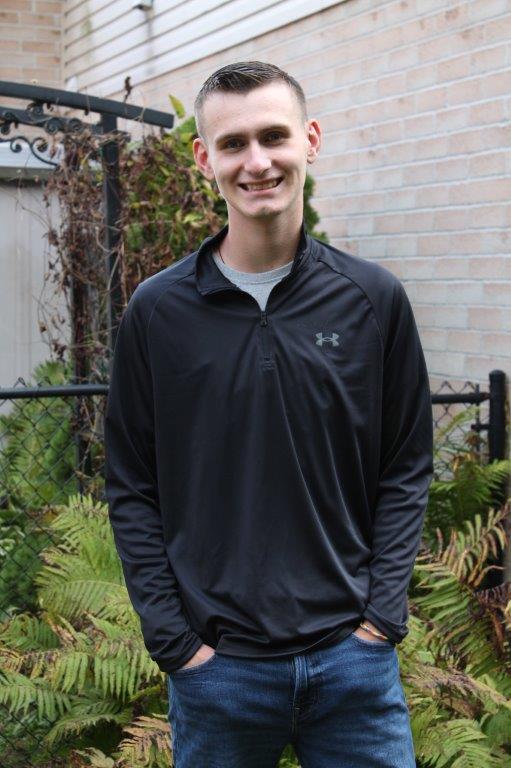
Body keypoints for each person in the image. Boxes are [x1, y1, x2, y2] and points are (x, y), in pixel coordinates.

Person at [104, 60, 434, 767]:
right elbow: (131, 486)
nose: (256, 162)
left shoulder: (373, 300)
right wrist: (176, 644)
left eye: (273, 136)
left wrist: (380, 619)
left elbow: (405, 467)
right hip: (218, 672)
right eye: (233, 144)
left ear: (309, 140)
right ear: (205, 159)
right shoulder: (157, 313)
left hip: (353, 664)